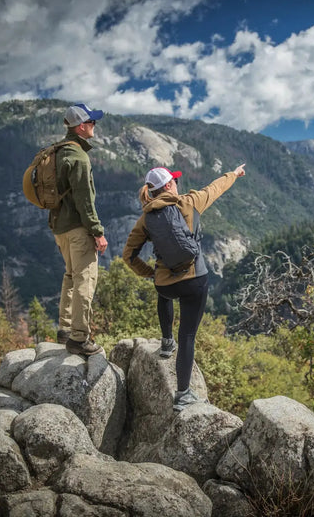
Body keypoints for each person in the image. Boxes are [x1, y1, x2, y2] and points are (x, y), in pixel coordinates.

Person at [123, 163, 246, 410]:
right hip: (194, 282)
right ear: (169, 186)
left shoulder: (146, 218)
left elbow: (129, 256)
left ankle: (167, 342)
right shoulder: (190, 202)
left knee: (163, 294)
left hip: (165, 285)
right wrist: (233, 174)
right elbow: (215, 188)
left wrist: (150, 273)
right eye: (174, 181)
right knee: (188, 336)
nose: (177, 183)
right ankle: (182, 395)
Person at [51, 103, 108, 356]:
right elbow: (85, 201)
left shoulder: (58, 151)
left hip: (59, 229)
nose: (95, 126)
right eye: (92, 122)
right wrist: (97, 231)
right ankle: (79, 338)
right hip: (78, 230)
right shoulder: (79, 157)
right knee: (85, 280)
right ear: (82, 126)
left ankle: (64, 330)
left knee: (71, 276)